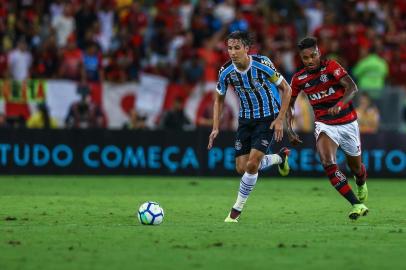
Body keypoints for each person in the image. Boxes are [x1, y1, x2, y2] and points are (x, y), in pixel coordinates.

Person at [207, 31, 292, 223]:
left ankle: (236, 210)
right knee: (242, 167)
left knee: (252, 164)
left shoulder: (262, 64)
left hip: (267, 117)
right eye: (230, 48)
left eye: (237, 48)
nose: (233, 52)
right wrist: (215, 127)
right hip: (245, 119)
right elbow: (218, 100)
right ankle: (280, 157)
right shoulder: (226, 71)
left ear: (247, 48)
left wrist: (279, 119)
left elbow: (287, 89)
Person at [287, 37, 368, 220]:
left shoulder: (331, 66)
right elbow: (289, 105)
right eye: (305, 58)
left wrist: (339, 105)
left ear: (319, 53)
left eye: (313, 55)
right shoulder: (299, 79)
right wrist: (290, 130)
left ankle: (361, 182)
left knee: (356, 168)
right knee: (327, 162)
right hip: (325, 124)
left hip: (348, 123)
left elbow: (352, 87)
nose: (310, 60)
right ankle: (356, 204)